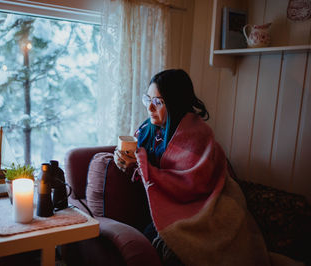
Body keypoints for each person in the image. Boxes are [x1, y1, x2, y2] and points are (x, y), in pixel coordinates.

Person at [113, 69, 298, 266]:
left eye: (158, 102)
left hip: (208, 206)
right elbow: (145, 169)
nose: (149, 107)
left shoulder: (196, 134)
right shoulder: (147, 129)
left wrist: (142, 164)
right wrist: (126, 162)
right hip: (169, 206)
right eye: (147, 98)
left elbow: (192, 184)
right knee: (147, 242)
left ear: (175, 103)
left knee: (173, 250)